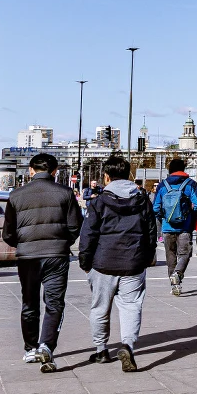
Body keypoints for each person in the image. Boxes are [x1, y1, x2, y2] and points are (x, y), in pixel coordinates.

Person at [2, 153, 82, 372]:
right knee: (54, 303)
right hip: (56, 256)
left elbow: (8, 233)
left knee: (29, 303)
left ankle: (30, 348)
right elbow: (75, 226)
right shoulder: (66, 193)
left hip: (27, 257)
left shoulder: (16, 195)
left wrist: (23, 242)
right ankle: (46, 345)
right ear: (55, 172)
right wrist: (63, 242)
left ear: (30, 170)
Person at [78, 155, 157, 372]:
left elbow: (89, 234)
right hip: (133, 262)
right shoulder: (142, 199)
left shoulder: (99, 202)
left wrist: (85, 261)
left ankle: (101, 349)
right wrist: (148, 257)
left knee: (100, 308)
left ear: (106, 177)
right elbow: (151, 231)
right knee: (131, 306)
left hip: (102, 262)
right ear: (128, 175)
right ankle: (128, 345)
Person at [153, 157, 197, 296]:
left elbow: (156, 207)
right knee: (185, 254)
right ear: (183, 169)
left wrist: (164, 218)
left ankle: (174, 285)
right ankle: (178, 273)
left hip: (167, 227)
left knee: (170, 256)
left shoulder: (163, 185)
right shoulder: (190, 184)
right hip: (185, 226)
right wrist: (190, 216)